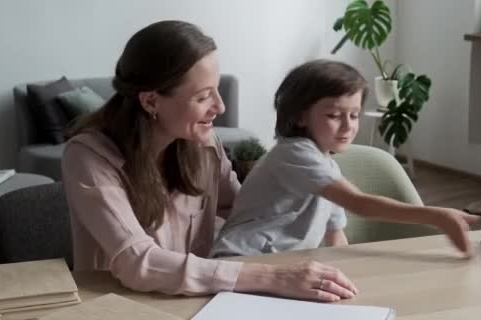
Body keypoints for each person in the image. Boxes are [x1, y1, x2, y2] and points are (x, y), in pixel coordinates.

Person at [62, 21, 358, 302]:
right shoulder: (88, 156)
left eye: (217, 89)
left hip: (198, 300)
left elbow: (243, 213)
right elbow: (136, 262)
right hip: (116, 304)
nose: (220, 106)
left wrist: (299, 206)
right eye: (203, 96)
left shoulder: (204, 144)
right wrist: (273, 276)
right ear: (151, 101)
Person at [210, 59, 481, 258]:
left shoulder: (327, 167)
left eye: (354, 115)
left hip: (280, 263)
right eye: (334, 115)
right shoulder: (294, 153)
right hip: (240, 258)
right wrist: (437, 217)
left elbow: (335, 234)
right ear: (301, 116)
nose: (348, 126)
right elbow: (360, 204)